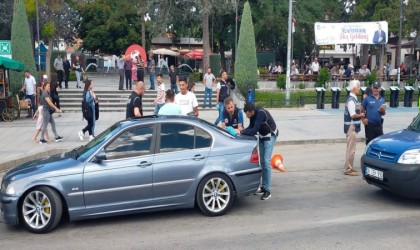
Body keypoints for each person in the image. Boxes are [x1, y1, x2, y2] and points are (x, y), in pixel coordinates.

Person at [240, 103, 278, 200]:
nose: (246, 116)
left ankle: (268, 190)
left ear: (251, 111)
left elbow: (254, 130)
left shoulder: (260, 113)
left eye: (247, 114)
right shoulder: (252, 116)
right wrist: (242, 131)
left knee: (266, 161)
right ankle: (263, 187)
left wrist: (242, 131)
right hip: (262, 136)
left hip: (270, 135)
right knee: (262, 162)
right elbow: (250, 127)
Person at [343, 80, 365, 176]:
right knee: (351, 149)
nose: (359, 89)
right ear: (354, 88)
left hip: (352, 127)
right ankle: (348, 169)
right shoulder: (351, 100)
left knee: (351, 149)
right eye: (358, 87)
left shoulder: (353, 99)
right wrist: (361, 115)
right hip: (351, 127)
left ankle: (350, 167)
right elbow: (353, 115)